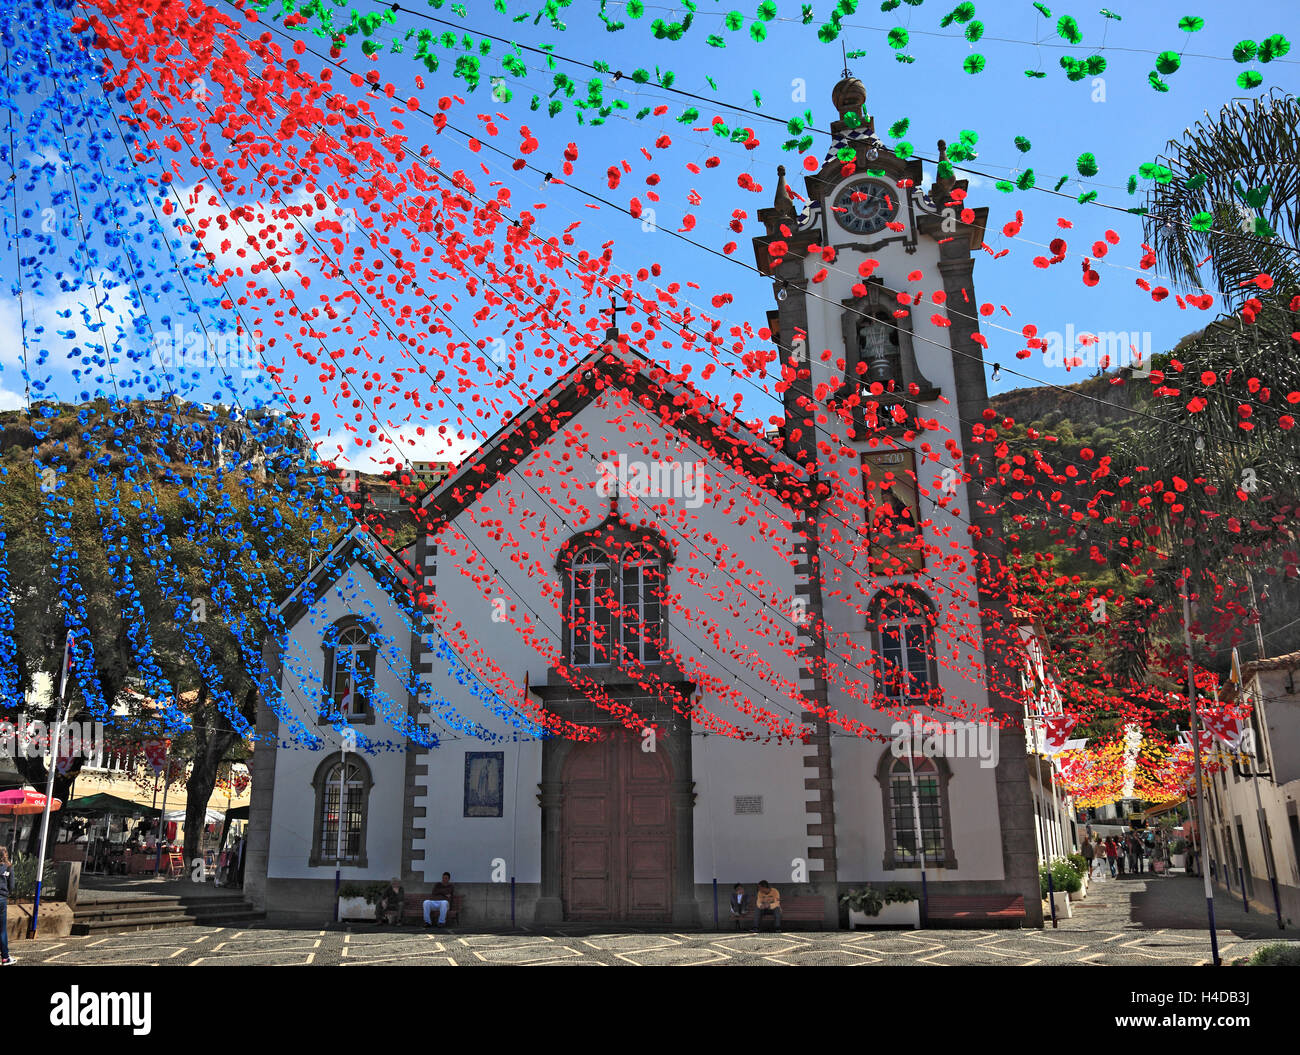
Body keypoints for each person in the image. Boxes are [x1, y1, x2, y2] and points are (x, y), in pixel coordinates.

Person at [0, 847, 14, 966]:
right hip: (1, 899)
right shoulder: (9, 867)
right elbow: (12, 885)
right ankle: (5, 957)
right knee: (2, 930)